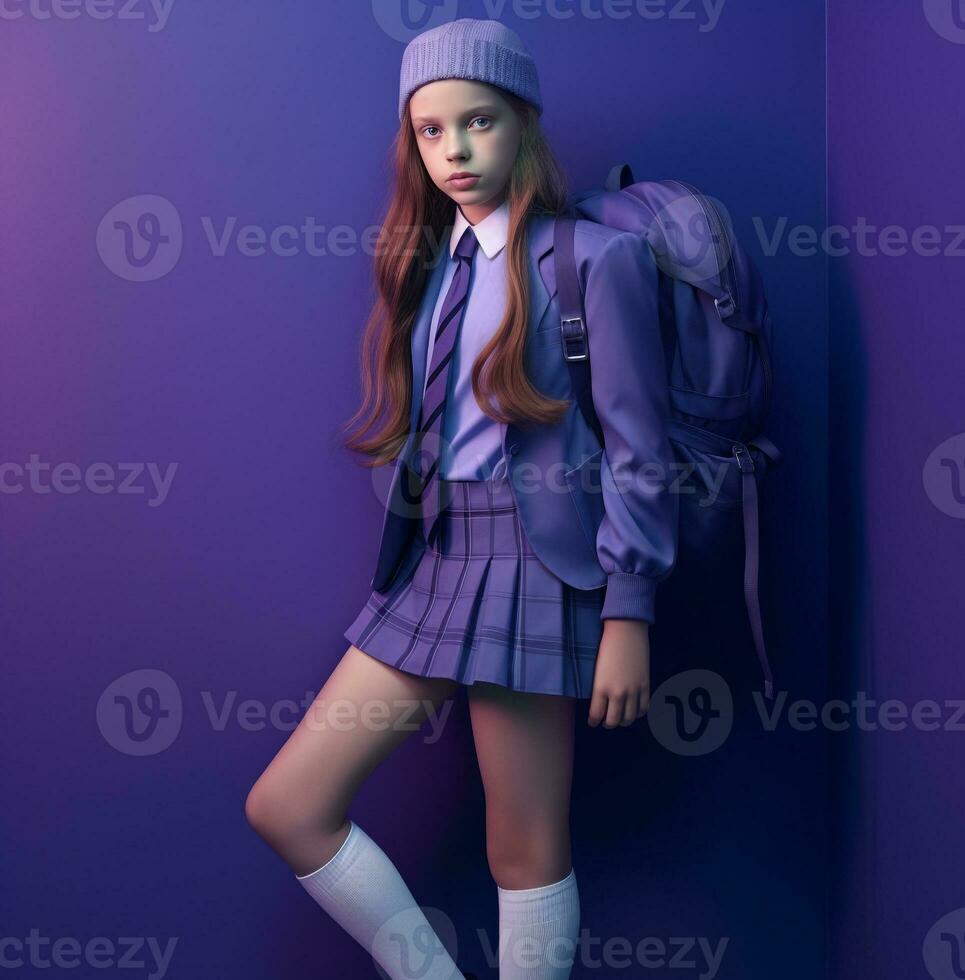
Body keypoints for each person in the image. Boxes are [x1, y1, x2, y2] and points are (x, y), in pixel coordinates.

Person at [245, 18, 677, 980]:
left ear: (523, 123)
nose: (455, 151)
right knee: (287, 803)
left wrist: (629, 612)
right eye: (431, 132)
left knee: (522, 848)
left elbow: (641, 454)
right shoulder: (431, 264)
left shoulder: (591, 263)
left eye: (478, 122)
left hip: (538, 560)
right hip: (434, 563)